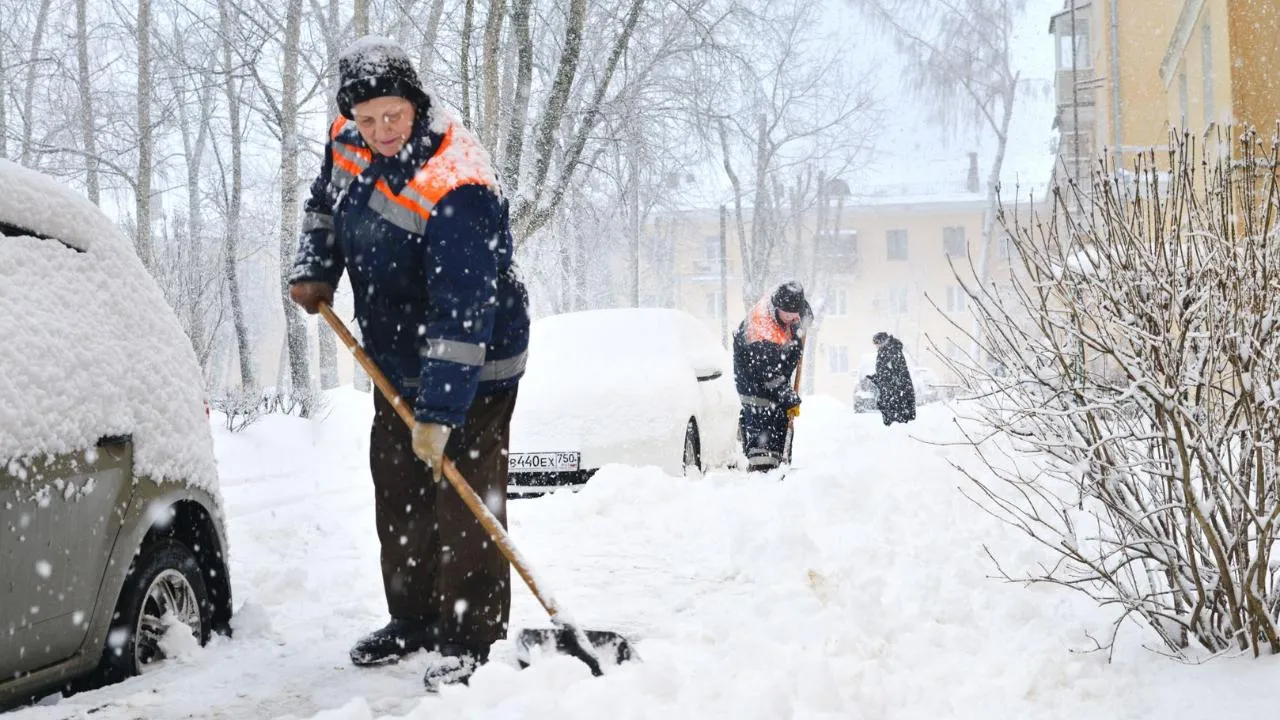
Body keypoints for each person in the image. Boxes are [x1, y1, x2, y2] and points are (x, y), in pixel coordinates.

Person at [287, 36, 529, 692]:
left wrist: (441, 414)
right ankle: (415, 619)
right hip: (395, 357)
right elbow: (324, 205)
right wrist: (315, 267)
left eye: (392, 115)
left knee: (464, 502)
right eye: (366, 119)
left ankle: (473, 637)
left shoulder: (459, 183)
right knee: (399, 493)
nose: (380, 131)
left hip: (475, 364)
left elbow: (463, 311)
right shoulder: (348, 140)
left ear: (416, 104)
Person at [732, 281, 811, 471]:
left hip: (775, 376)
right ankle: (762, 471)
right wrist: (789, 397)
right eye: (788, 314)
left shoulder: (786, 305)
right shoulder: (762, 330)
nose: (793, 318)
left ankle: (780, 464)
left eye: (795, 314)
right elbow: (769, 375)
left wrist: (804, 320)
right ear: (777, 307)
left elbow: (805, 311)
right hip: (754, 382)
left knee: (781, 417)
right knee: (763, 430)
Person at [866, 332, 915, 426]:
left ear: (882, 342)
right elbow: (885, 372)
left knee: (897, 421)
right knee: (892, 420)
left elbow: (895, 373)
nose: (875, 346)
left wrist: (882, 380)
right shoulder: (886, 351)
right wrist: (875, 378)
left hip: (897, 393)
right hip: (892, 392)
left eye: (876, 343)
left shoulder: (892, 351)